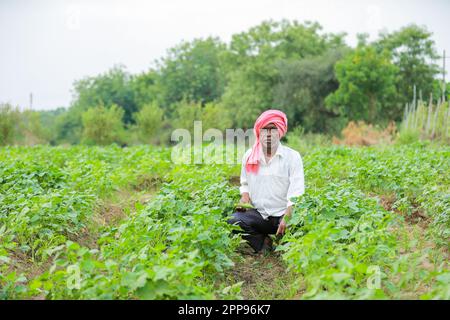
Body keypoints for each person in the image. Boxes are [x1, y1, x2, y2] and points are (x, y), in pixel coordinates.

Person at [227, 109, 305, 254]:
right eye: (265, 129)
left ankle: (284, 241)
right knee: (234, 220)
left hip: (284, 215)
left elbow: (297, 191)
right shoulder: (249, 156)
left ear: (280, 131)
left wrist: (288, 217)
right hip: (259, 215)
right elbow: (245, 184)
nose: (268, 134)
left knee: (303, 225)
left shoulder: (292, 157)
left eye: (273, 129)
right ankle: (263, 242)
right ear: (259, 132)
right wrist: (244, 198)